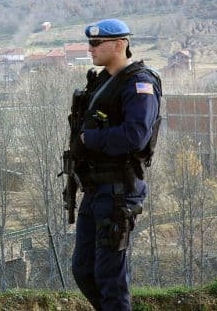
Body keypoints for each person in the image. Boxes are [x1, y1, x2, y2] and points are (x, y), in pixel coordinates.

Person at [70, 18, 162, 311]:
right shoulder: (104, 81)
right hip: (96, 188)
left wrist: (90, 139)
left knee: (110, 277)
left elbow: (135, 136)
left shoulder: (140, 83)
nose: (90, 49)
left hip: (119, 189)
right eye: (89, 43)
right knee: (83, 270)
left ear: (119, 45)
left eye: (96, 44)